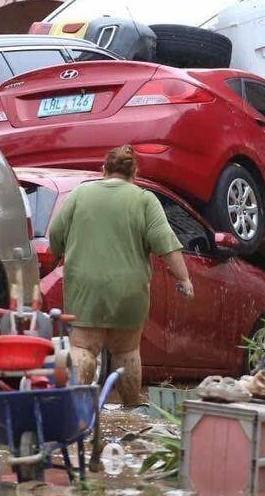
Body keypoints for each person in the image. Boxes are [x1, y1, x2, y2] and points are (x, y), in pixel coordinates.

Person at [47, 145, 193, 404]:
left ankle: (75, 407)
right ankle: (131, 406)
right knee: (126, 351)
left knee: (83, 348)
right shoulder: (144, 199)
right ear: (134, 173)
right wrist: (184, 278)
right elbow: (166, 244)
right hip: (129, 290)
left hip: (85, 288)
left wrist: (58, 252)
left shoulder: (80, 194)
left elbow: (55, 236)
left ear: (103, 170)